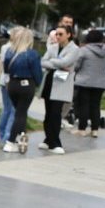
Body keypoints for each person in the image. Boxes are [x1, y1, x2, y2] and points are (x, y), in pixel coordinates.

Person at [1, 27, 42, 154]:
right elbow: (37, 74)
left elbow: (6, 70)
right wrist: (37, 83)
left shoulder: (9, 52)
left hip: (12, 84)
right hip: (26, 84)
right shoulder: (32, 54)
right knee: (21, 113)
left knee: (19, 111)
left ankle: (22, 134)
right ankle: (11, 141)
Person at [39, 26, 78, 154]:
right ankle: (48, 139)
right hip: (49, 82)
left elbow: (66, 62)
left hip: (62, 84)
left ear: (69, 35)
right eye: (56, 34)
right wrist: (58, 63)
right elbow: (43, 62)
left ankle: (55, 142)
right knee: (48, 113)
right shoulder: (52, 47)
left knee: (56, 113)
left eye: (61, 34)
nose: (58, 36)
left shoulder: (74, 49)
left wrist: (54, 62)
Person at [72, 30, 105, 137]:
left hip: (85, 82)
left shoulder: (84, 50)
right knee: (95, 106)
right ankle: (95, 130)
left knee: (84, 105)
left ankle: (82, 129)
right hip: (100, 82)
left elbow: (76, 65)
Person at [0, 29, 17, 146]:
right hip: (10, 81)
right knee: (12, 109)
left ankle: (3, 134)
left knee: (7, 109)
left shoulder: (5, 47)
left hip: (4, 81)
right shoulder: (12, 48)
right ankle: (7, 136)